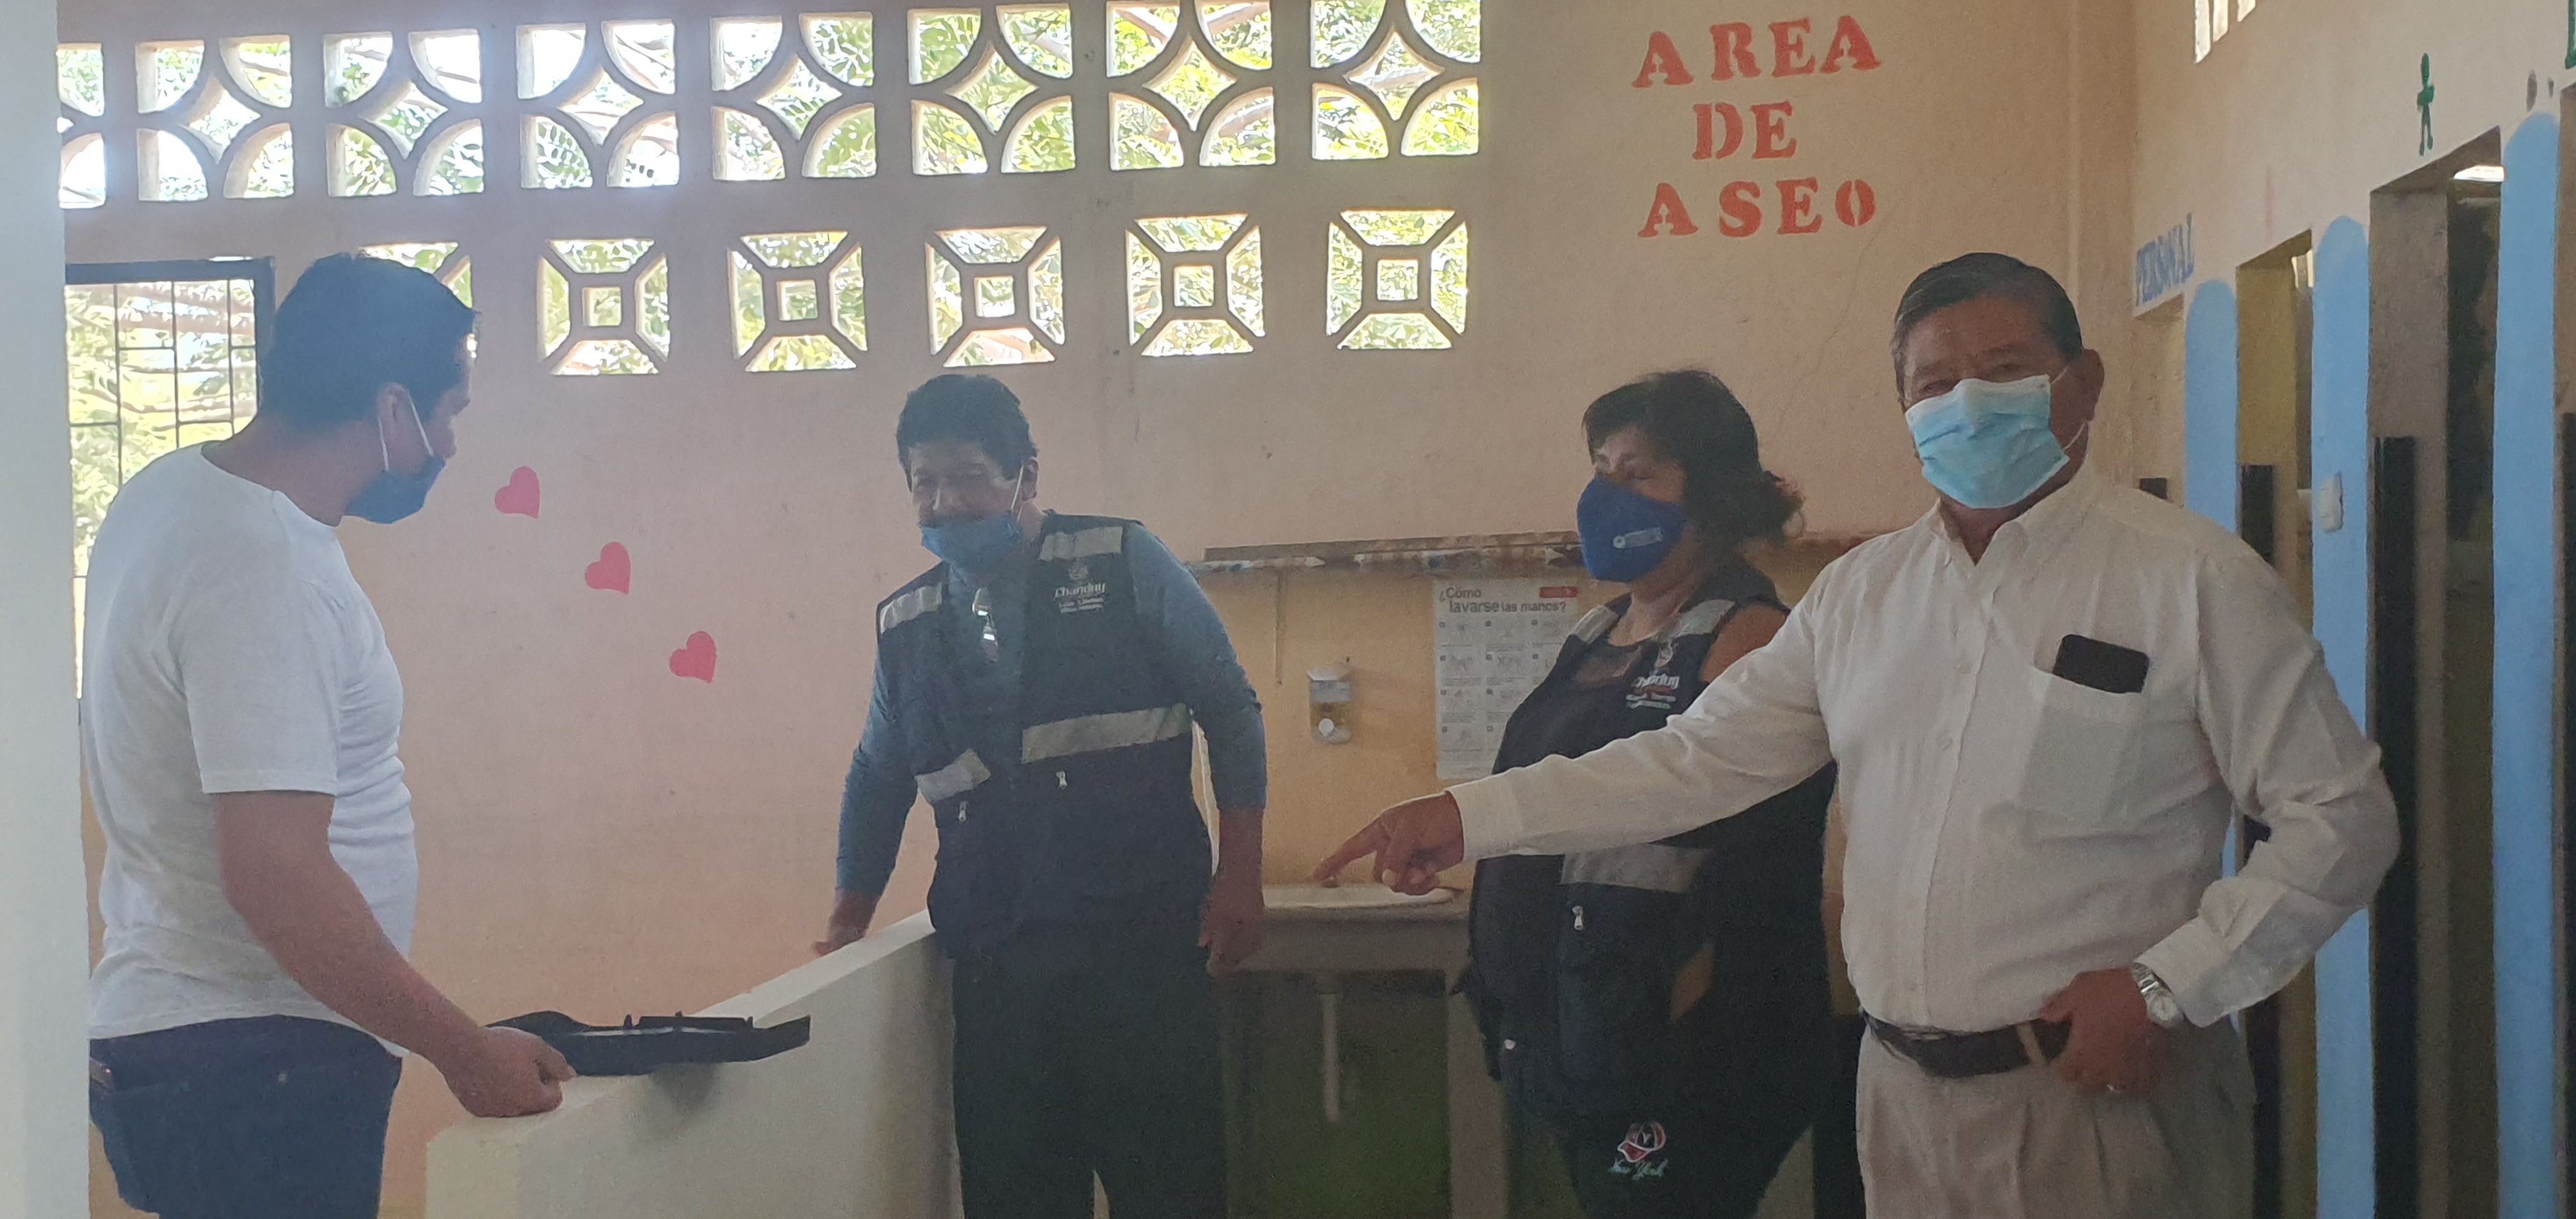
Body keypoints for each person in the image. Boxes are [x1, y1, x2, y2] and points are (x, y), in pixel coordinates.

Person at [1319, 253, 2400, 1218]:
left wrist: (2170, 986)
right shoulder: (1863, 596)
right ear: (1904, 409)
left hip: (2094, 1097)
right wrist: (1469, 816)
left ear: (2084, 384)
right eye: (1933, 384)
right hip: (1901, 1101)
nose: (1965, 402)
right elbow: (1694, 761)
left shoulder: (2191, 581)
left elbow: (2341, 820)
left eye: (2004, 369)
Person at [81, 255, 572, 1219]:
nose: (450, 444)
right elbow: (277, 876)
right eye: (448, 413)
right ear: (393, 408)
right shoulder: (260, 562)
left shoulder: (170, 494)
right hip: (257, 1063)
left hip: (205, 1047)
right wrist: (464, 1051)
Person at [819, 373, 1268, 1219]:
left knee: (1171, 1190)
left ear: (1025, 474)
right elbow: (878, 776)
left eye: (966, 478)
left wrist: (1240, 875)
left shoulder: (1123, 559)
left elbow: (1230, 710)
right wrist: (848, 919)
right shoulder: (907, 624)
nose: (944, 504)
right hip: (1000, 975)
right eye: (924, 483)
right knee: (1015, 1197)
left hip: (1138, 956)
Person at [1443, 371, 1836, 1218]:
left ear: (1713, 493)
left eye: (1639, 474)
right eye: (1601, 472)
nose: (1606, 496)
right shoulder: (1598, 634)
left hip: (1682, 1060)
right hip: (1578, 1040)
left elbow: (1749, 861)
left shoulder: (1749, 637)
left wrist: (1678, 1013)